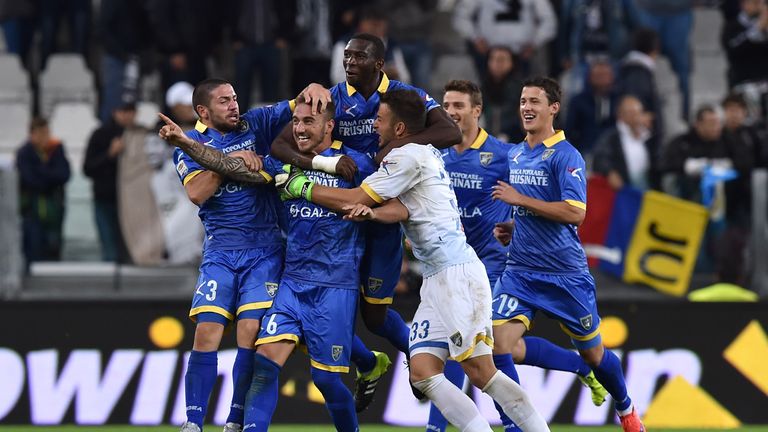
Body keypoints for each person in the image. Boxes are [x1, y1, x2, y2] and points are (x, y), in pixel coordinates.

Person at [277, 89, 550, 432]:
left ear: (400, 128)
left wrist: (300, 186)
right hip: (438, 279)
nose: (373, 124)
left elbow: (354, 196)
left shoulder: (404, 157)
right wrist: (373, 216)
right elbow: (405, 208)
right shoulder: (424, 154)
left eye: (380, 119)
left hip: (456, 274)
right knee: (422, 371)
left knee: (481, 372)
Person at [270, 32, 462, 411]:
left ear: (378, 64)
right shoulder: (328, 96)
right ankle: (370, 363)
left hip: (379, 216)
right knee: (315, 306)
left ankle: (418, 360)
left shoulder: (404, 98)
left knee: (374, 316)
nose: (349, 62)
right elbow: (280, 144)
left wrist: (397, 147)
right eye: (346, 56)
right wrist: (322, 163)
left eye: (358, 57)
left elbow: (450, 132)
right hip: (336, 221)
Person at [431, 80, 607, 432]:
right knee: (500, 347)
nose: (450, 112)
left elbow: (537, 184)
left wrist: (519, 223)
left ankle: (504, 425)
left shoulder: (501, 154)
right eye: (446, 106)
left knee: (476, 345)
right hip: (453, 267)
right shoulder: (439, 154)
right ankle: (579, 366)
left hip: (495, 264)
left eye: (458, 106)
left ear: (476, 111)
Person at [159, 78, 329, 432]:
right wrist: (231, 160)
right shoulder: (189, 147)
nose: (234, 105)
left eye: (235, 97)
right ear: (203, 111)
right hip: (220, 252)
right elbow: (197, 193)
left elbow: (300, 100)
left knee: (250, 330)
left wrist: (311, 87)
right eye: (224, 101)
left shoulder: (257, 122)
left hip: (265, 249)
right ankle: (193, 421)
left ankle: (235, 420)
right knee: (206, 331)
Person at [489, 76, 645, 432]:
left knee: (594, 353)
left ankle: (625, 407)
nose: (526, 107)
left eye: (535, 102)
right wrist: (515, 227)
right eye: (523, 100)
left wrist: (520, 200)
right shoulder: (515, 153)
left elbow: (576, 212)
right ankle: (516, 425)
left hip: (565, 275)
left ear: (553, 108)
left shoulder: (566, 155)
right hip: (521, 272)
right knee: (498, 344)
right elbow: (534, 212)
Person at [83, 101, 136, 263]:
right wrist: (109, 154)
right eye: (123, 111)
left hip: (131, 201)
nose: (127, 115)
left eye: (130, 111)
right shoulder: (100, 134)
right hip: (105, 199)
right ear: (115, 112)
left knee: (130, 250)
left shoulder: (137, 134)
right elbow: (88, 168)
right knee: (110, 250)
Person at [15, 117, 71, 270]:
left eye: (46, 133)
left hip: (54, 209)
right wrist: (49, 176)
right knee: (33, 249)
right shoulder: (24, 153)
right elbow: (29, 180)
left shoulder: (56, 149)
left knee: (54, 248)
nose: (45, 137)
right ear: (32, 134)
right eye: (41, 133)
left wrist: (41, 172)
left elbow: (64, 175)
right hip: (32, 211)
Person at [592, 95, 658, 191]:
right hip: (624, 191)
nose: (635, 117)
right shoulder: (611, 137)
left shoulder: (649, 136)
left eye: (638, 112)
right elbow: (600, 158)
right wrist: (610, 172)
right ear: (620, 115)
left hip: (649, 190)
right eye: (631, 113)